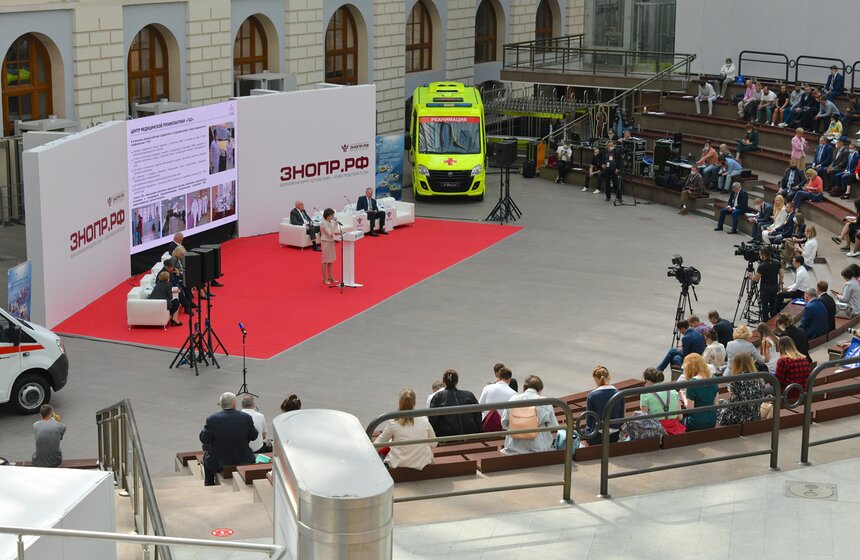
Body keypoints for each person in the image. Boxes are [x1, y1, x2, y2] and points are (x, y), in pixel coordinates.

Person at [199, 392, 258, 486]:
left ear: (221, 405)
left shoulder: (212, 419)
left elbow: (204, 439)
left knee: (206, 457)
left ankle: (209, 484)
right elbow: (254, 436)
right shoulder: (246, 417)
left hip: (220, 461)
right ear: (234, 403)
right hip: (243, 458)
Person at [374, 389, 436, 470]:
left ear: (399, 403)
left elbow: (379, 443)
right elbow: (434, 443)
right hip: (422, 462)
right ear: (415, 403)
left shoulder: (393, 421)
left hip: (398, 463)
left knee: (383, 450)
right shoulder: (423, 419)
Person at [500, 375, 559, 455]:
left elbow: (504, 423)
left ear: (525, 387)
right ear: (540, 389)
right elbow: (554, 426)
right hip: (539, 449)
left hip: (513, 449)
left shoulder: (513, 399)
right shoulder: (545, 402)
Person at [428, 369, 482, 437]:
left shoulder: (438, 397)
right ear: (456, 381)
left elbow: (432, 420)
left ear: (444, 382)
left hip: (447, 438)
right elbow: (478, 416)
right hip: (469, 436)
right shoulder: (469, 395)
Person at [716, 352, 764, 426]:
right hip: (754, 415)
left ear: (736, 364)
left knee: (717, 405)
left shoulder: (736, 380)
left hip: (737, 417)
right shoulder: (759, 378)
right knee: (721, 402)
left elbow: (733, 401)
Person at [584, 366, 624, 445]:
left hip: (597, 434)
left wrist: (587, 433)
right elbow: (621, 417)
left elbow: (589, 419)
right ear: (609, 377)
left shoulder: (592, 395)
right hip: (614, 433)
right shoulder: (619, 394)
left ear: (595, 380)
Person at [639, 368, 685, 434]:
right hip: (675, 430)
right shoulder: (673, 392)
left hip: (656, 431)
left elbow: (645, 419)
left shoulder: (645, 394)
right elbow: (680, 417)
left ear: (647, 380)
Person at [680, 353, 718, 431]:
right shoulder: (714, 378)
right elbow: (716, 404)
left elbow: (689, 409)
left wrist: (682, 395)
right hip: (711, 421)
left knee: (677, 419)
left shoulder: (692, 383)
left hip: (696, 423)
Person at [478, 366, 517, 431]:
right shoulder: (514, 394)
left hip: (488, 426)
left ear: (498, 377)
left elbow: (479, 407)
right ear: (510, 379)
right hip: (504, 429)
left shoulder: (487, 388)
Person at [750, 248, 783, 321]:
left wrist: (751, 276)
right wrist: (780, 284)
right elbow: (781, 274)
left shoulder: (762, 266)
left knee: (764, 305)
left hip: (765, 288)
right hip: (774, 286)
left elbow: (756, 278)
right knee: (773, 304)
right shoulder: (777, 262)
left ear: (763, 255)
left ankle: (765, 321)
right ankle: (773, 320)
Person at [319, 208, 339, 285]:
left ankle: (331, 276)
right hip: (326, 242)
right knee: (325, 261)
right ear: (328, 215)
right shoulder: (324, 223)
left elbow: (334, 232)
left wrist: (341, 233)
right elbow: (330, 233)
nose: (333, 216)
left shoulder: (329, 222)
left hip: (331, 242)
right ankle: (325, 278)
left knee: (330, 260)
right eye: (332, 215)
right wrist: (335, 224)